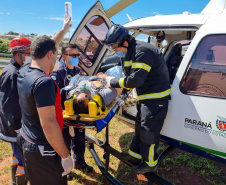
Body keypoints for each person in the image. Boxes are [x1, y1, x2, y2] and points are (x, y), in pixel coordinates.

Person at [98, 24, 171, 174]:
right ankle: (135, 156)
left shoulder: (142, 51)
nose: (114, 50)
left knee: (148, 132)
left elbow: (134, 81)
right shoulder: (131, 51)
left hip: (155, 99)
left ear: (125, 42)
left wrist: (111, 81)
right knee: (139, 128)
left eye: (115, 46)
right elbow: (129, 75)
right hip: (146, 96)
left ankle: (151, 164)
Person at [17, 17, 73, 185]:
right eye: (55, 55)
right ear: (50, 55)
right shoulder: (44, 82)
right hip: (44, 148)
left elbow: (48, 47)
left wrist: (63, 31)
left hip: (28, 139)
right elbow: (48, 124)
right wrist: (65, 155)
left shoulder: (25, 71)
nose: (56, 59)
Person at [51, 43, 94, 172]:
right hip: (64, 113)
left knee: (80, 138)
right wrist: (70, 90)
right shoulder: (58, 72)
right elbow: (55, 94)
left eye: (78, 55)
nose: (76, 57)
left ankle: (80, 162)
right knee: (65, 141)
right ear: (64, 56)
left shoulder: (76, 70)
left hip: (77, 110)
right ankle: (64, 168)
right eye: (73, 55)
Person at [0, 37, 31, 185]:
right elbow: (8, 104)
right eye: (28, 53)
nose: (30, 56)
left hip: (13, 125)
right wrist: (18, 127)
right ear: (18, 54)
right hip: (14, 126)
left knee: (16, 155)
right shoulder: (12, 73)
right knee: (24, 160)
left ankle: (14, 180)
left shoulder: (17, 69)